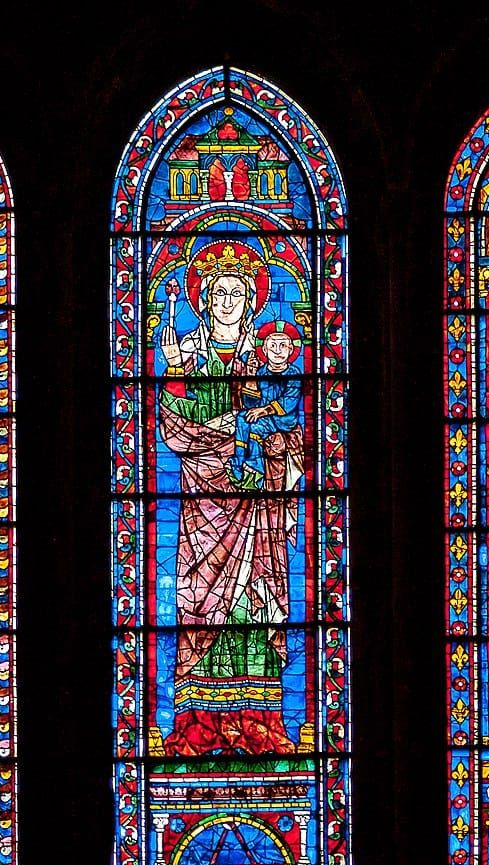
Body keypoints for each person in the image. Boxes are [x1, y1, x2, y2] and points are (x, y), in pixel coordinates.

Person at [154, 242, 298, 756]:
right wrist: (216, 430)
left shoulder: (265, 361)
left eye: (238, 293)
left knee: (258, 606)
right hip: (203, 505)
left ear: (251, 301)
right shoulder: (186, 356)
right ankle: (199, 725)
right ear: (205, 299)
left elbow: (290, 426)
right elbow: (171, 428)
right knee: (201, 606)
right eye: (219, 293)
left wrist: (268, 440)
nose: (228, 301)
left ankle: (260, 722)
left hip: (258, 506)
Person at [230, 314, 305, 489]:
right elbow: (251, 404)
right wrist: (250, 375)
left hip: (283, 421)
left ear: (291, 350)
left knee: (256, 427)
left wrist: (263, 411)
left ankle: (256, 467)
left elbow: (289, 402)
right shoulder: (262, 371)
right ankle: (238, 460)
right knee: (241, 418)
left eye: (283, 346)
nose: (277, 350)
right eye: (272, 346)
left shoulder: (294, 373)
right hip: (264, 415)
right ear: (264, 350)